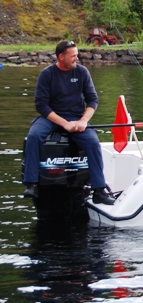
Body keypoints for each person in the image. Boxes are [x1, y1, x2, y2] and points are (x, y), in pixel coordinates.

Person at [23, 40, 115, 205]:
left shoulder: (82, 72)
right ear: (61, 57)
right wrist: (64, 123)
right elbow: (41, 105)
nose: (76, 59)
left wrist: (84, 121)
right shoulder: (47, 74)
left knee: (93, 143)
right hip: (51, 117)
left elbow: (93, 100)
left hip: (77, 117)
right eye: (73, 56)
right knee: (34, 136)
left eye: (77, 55)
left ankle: (99, 190)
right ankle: (31, 184)